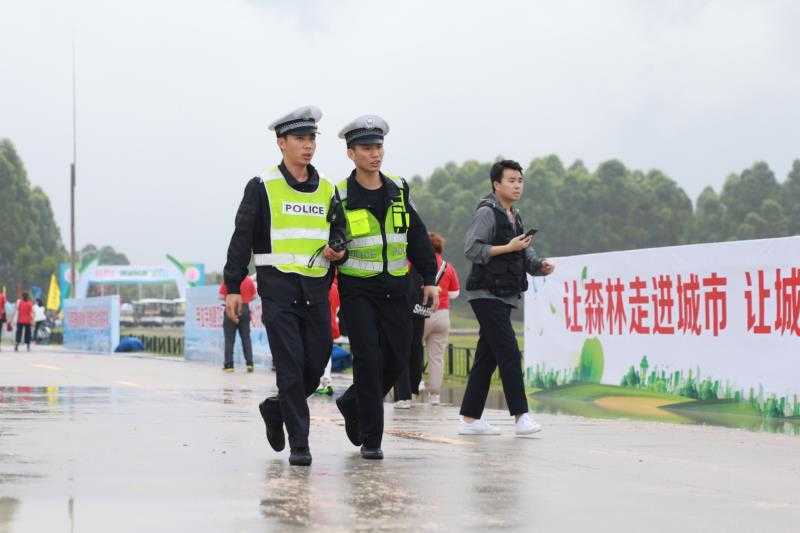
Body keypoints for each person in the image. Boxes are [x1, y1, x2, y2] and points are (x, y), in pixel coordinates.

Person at [223, 105, 346, 467]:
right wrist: (233, 285)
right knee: (290, 367)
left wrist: (337, 246)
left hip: (316, 289)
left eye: (311, 139)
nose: (307, 146)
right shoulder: (262, 186)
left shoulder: (327, 189)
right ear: (281, 143)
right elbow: (241, 237)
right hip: (277, 289)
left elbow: (339, 230)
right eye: (299, 139)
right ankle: (300, 445)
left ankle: (275, 408)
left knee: (317, 360)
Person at [332, 115, 438, 460]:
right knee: (368, 359)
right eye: (366, 148)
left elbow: (417, 236)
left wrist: (429, 278)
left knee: (396, 359)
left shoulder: (398, 188)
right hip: (358, 291)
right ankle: (371, 439)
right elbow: (332, 239)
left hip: (397, 289)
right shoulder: (340, 195)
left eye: (378, 147)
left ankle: (351, 402)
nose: (374, 154)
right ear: (351, 153)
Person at [458, 159, 555, 436]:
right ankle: (521, 416)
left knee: (486, 358)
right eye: (511, 180)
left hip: (505, 294)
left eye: (520, 181)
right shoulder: (487, 213)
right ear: (496, 184)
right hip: (485, 294)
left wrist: (539, 266)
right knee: (509, 352)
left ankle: (469, 419)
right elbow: (472, 249)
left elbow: (522, 253)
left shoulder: (515, 216)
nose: (517, 185)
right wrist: (507, 247)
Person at [421, 232, 460, 405]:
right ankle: (435, 395)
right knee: (436, 357)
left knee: (412, 350)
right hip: (443, 314)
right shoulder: (448, 267)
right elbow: (455, 293)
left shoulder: (417, 263)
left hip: (421, 312)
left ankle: (415, 383)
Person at [393, 264, 428, 409]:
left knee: (403, 350)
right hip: (418, 310)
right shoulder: (422, 265)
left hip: (404, 310)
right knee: (415, 348)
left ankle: (403, 395)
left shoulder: (402, 263)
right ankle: (411, 386)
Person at [218, 276, 256, 372]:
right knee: (246, 337)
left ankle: (229, 365)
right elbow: (254, 296)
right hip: (244, 308)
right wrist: (245, 299)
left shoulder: (228, 279)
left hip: (231, 308)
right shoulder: (249, 280)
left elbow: (221, 296)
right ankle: (249, 363)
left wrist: (229, 298)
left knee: (229, 339)